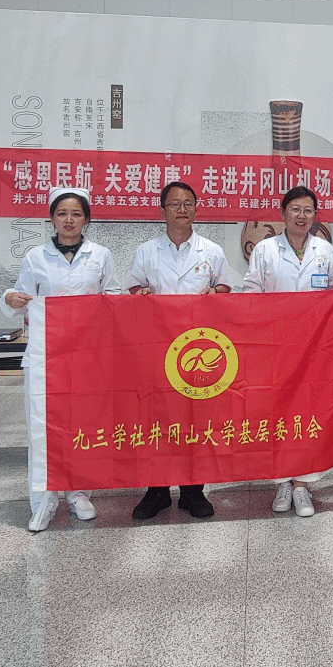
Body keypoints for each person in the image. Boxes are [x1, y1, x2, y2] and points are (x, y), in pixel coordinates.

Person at [1, 187, 124, 533]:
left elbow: (113, 294)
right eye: (62, 214)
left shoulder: (101, 255)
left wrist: (110, 303)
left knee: (83, 424)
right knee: (43, 427)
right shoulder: (35, 257)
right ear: (52, 219)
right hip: (46, 358)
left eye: (76, 214)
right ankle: (43, 501)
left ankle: (78, 493)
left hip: (87, 357)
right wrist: (10, 298)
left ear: (87, 219)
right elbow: (19, 296)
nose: (69, 220)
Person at [126, 180, 235, 520]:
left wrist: (216, 293)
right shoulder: (146, 251)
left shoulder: (212, 251)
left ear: (197, 210)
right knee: (155, 417)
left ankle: (193, 491)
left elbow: (225, 287)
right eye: (175, 204)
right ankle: (156, 491)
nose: (182, 209)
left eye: (188, 203)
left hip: (197, 350)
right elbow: (133, 288)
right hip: (157, 348)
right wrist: (140, 295)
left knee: (196, 418)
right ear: (163, 211)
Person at [241, 186, 333, 517]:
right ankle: (281, 482)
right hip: (276, 348)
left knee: (308, 411)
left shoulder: (324, 250)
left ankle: (302, 485)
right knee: (277, 412)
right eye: (296, 209)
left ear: (315, 215)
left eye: (308, 210)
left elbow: (332, 289)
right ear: (282, 213)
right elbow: (251, 293)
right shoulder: (265, 250)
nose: (302, 216)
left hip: (314, 350)